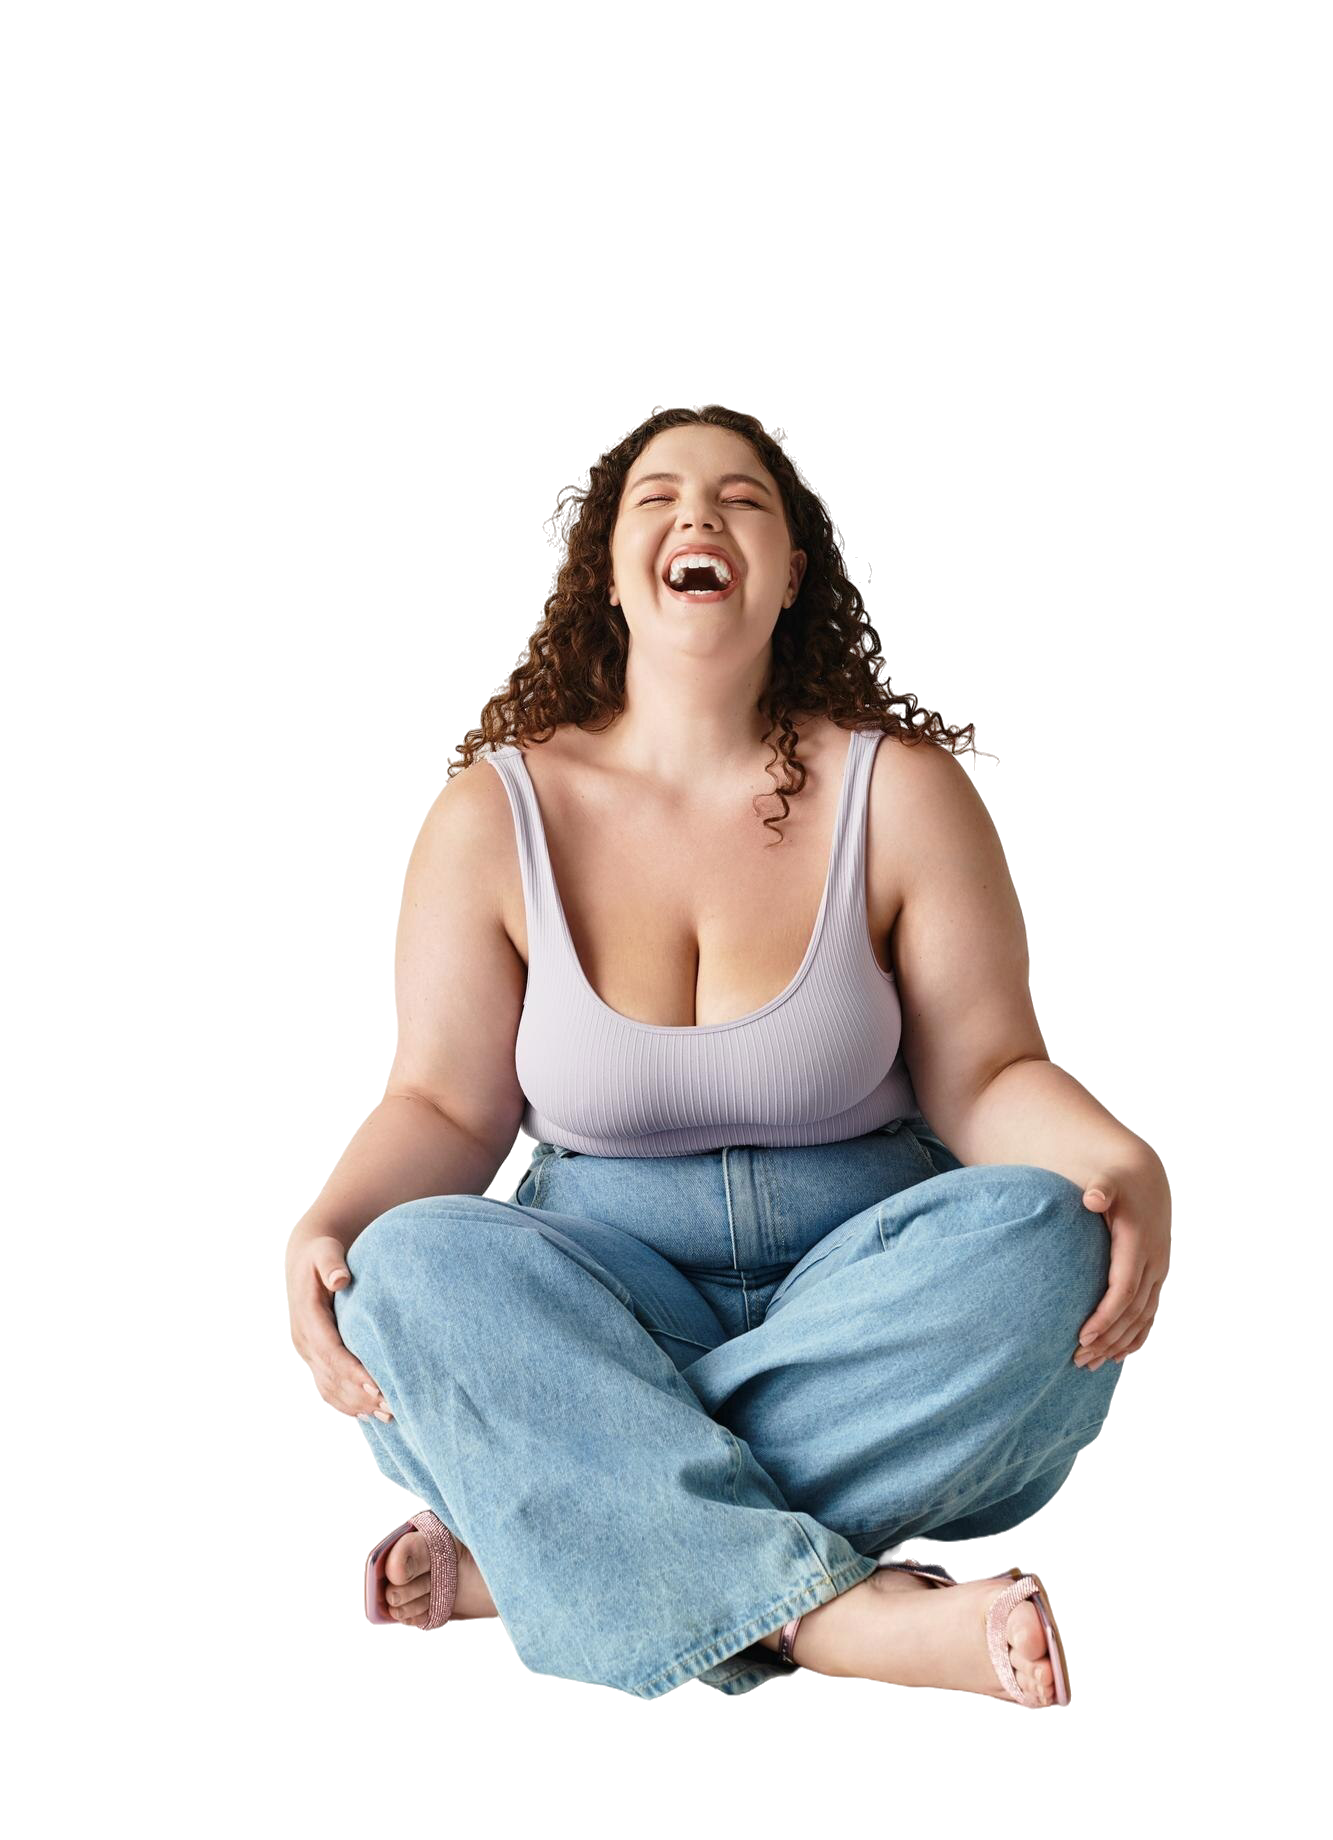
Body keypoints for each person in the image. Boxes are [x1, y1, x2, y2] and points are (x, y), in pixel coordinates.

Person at [284, 406, 1169, 1699]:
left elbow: (982, 1074)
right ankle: (841, 1621)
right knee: (411, 1261)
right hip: (601, 1279)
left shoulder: (900, 787)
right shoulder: (491, 813)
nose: (699, 516)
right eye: (658, 497)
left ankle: (551, 1533)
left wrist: (1114, 1160)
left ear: (792, 569)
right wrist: (332, 1220)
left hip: (864, 1281)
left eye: (743, 499)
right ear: (603, 567)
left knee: (1046, 1239)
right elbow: (438, 1101)